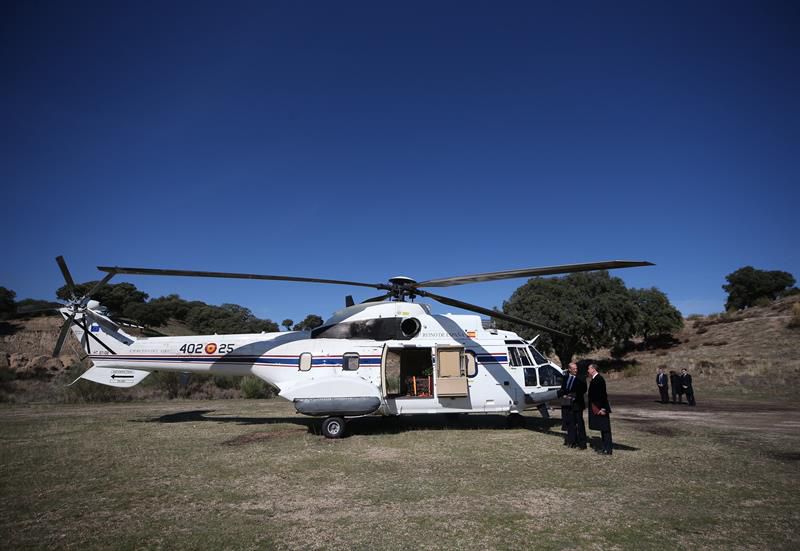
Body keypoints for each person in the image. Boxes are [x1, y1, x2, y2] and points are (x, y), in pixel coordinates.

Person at [559, 362, 587, 449]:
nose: (576, 370)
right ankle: (572, 441)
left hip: (577, 404)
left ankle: (582, 443)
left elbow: (583, 390)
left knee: (579, 424)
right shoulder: (565, 377)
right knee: (570, 423)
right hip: (567, 404)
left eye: (576, 368)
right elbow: (563, 389)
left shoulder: (581, 378)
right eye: (574, 369)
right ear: (569, 369)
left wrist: (573, 396)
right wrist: (563, 395)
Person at [587, 363, 613, 455]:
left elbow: (602, 395)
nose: (588, 370)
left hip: (602, 407)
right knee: (602, 428)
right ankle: (605, 447)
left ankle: (608, 449)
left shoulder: (599, 379)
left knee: (605, 429)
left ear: (593, 369)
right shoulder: (595, 379)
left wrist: (603, 408)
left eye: (589, 368)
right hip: (598, 407)